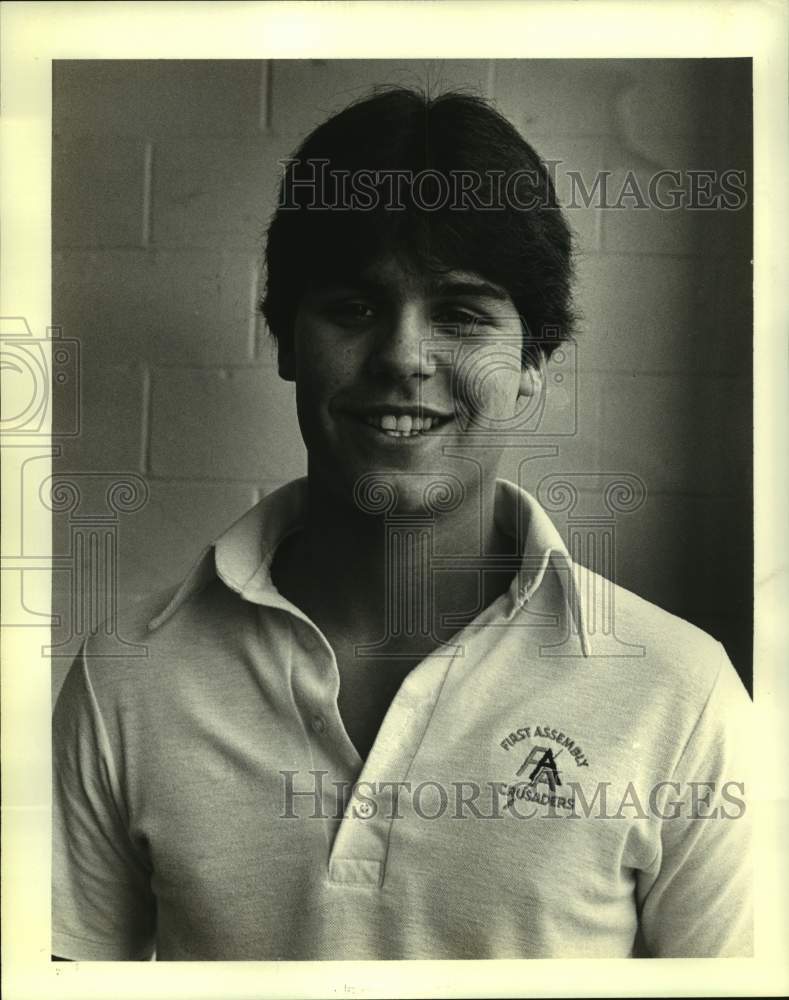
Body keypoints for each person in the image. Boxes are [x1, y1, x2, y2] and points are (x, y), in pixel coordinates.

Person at [52, 87, 752, 961]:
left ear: (533, 361)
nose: (402, 356)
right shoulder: (128, 677)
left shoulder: (679, 695)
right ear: (284, 341)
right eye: (352, 308)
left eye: (460, 313)